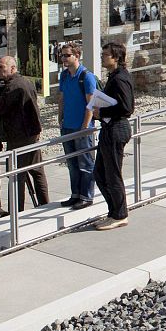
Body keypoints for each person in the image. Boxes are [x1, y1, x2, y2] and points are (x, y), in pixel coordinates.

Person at [0, 55, 49, 209]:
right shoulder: (24, 81)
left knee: (16, 174)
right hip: (30, 132)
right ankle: (44, 204)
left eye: (2, 67)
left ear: (13, 68)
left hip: (20, 135)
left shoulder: (13, 87)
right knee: (36, 169)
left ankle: (17, 211)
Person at [92, 41, 135, 231]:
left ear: (116, 57)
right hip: (109, 129)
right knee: (100, 173)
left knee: (112, 174)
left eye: (105, 55)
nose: (102, 57)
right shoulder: (115, 76)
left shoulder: (119, 79)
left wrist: (101, 113)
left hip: (116, 129)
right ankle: (114, 212)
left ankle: (120, 214)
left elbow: (126, 108)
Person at [55, 42, 98, 210]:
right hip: (68, 126)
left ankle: (86, 196)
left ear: (76, 56)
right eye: (62, 55)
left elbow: (91, 104)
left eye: (67, 55)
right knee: (72, 163)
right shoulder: (64, 76)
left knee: (86, 163)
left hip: (82, 127)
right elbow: (62, 97)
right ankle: (75, 194)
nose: (63, 58)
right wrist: (60, 117)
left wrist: (85, 126)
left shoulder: (86, 76)